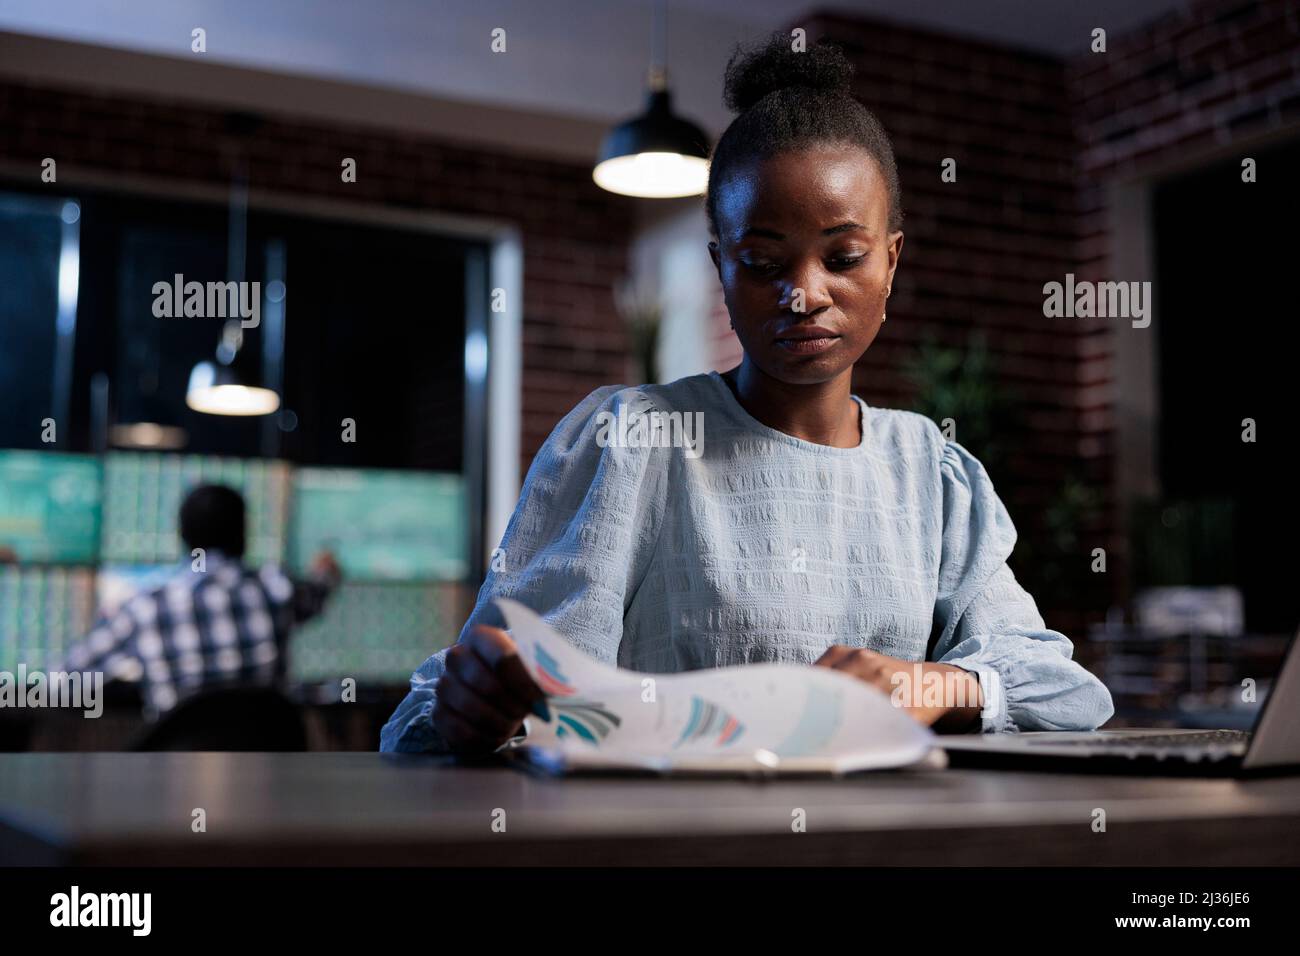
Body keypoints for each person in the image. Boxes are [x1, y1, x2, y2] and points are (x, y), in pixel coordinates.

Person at [381, 35, 1114, 754]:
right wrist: (480, 708)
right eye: (762, 262)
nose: (804, 293)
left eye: (844, 256)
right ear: (721, 269)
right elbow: (447, 708)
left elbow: (1064, 689)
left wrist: (924, 686)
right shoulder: (634, 443)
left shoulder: (931, 471)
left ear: (890, 262)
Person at [62, 484, 341, 717]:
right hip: (268, 774)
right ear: (243, 535)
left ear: (183, 536)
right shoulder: (278, 591)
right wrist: (326, 570)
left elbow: (65, 679)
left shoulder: (144, 610)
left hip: (174, 776)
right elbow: (319, 590)